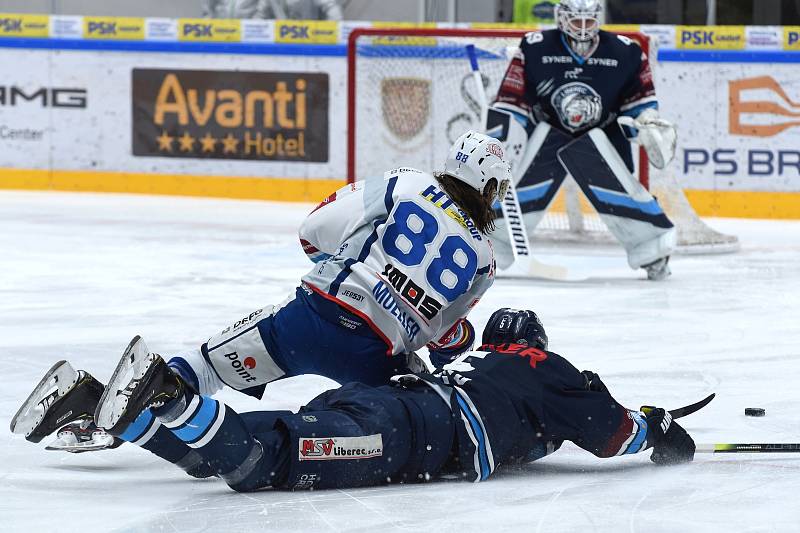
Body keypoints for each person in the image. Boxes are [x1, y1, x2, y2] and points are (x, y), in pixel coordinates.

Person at [11, 131, 509, 473]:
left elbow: (314, 229)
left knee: (203, 367)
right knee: (390, 428)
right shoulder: (486, 259)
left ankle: (106, 413)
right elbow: (442, 336)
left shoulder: (408, 183)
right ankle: (235, 444)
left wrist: (338, 265)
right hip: (376, 362)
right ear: (489, 185)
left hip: (311, 321)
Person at [65, 308, 692, 491]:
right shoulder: (540, 365)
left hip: (390, 404)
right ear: (532, 345)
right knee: (262, 462)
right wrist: (657, 426)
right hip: (412, 432)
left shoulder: (474, 362)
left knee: (223, 452)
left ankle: (114, 411)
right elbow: (611, 433)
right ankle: (169, 400)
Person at [487, 0, 678, 280]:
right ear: (561, 18)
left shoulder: (626, 52)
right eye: (577, 21)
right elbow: (511, 100)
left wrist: (646, 124)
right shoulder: (535, 46)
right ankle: (492, 247)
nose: (584, 28)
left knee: (618, 185)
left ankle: (653, 250)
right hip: (548, 133)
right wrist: (499, 138)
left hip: (603, 136)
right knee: (519, 189)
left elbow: (639, 103)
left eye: (589, 20)